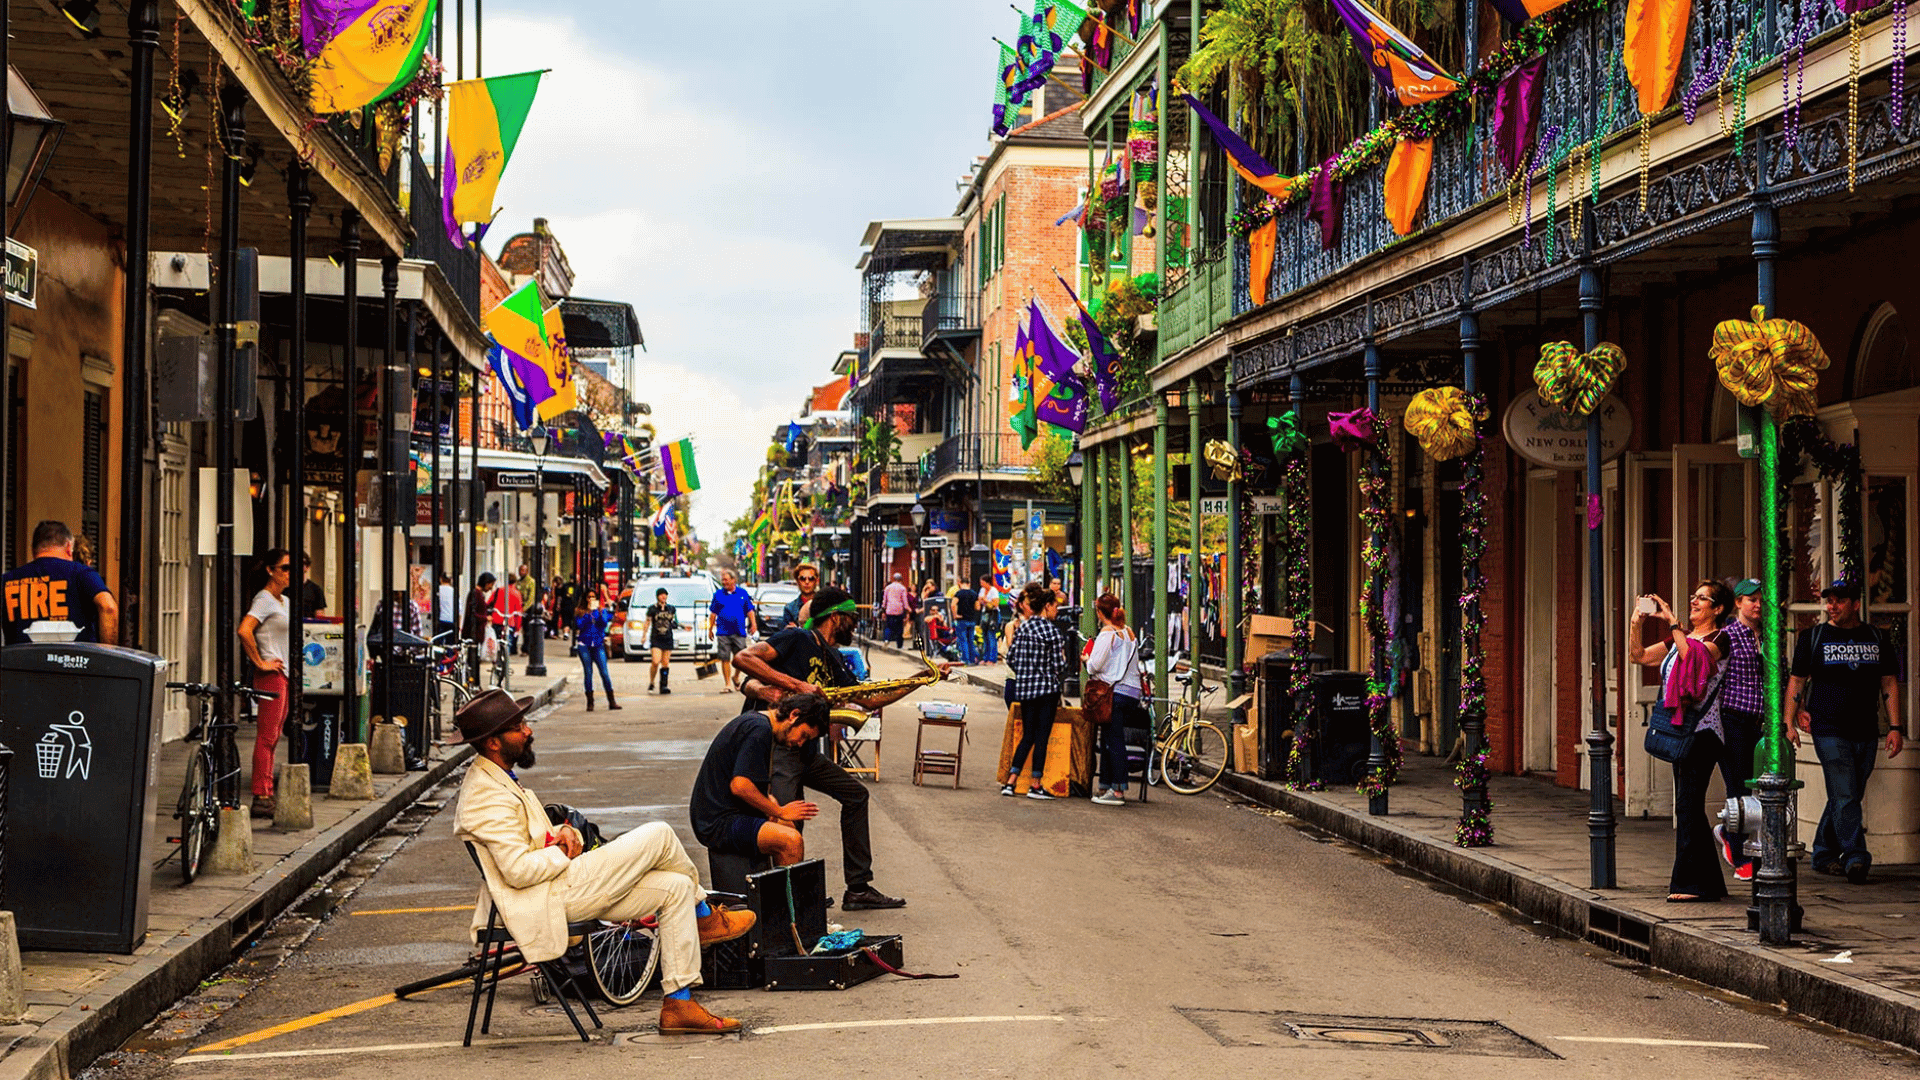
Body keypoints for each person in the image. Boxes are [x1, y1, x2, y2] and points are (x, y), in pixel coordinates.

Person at [452, 690, 753, 1035]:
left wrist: (561, 832)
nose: (528, 731)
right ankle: (705, 917)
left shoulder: (498, 777)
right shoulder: (484, 796)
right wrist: (563, 851)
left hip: (557, 885)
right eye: (519, 726)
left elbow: (526, 840)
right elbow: (518, 871)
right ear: (493, 742)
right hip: (547, 897)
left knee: (677, 887)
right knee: (660, 834)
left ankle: (679, 1004)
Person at [731, 585, 923, 910]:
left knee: (855, 794)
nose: (854, 624)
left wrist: (919, 679)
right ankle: (792, 904)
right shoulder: (797, 639)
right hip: (778, 747)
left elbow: (869, 697)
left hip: (805, 749)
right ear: (835, 617)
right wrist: (794, 685)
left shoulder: (832, 656)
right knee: (790, 820)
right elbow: (743, 658)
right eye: (851, 618)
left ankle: (859, 888)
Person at [1787, 578, 1903, 884]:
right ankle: (1856, 856)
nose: (1831, 607)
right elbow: (1797, 681)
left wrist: (1895, 727)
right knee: (1845, 792)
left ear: (1855, 603)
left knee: (1847, 793)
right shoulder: (1813, 637)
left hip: (1866, 728)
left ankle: (1824, 852)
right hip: (1828, 728)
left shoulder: (1876, 637)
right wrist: (1790, 718)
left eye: (1838, 601)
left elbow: (1889, 682)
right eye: (1828, 601)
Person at [1629, 580, 1733, 903]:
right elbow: (1639, 656)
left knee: (1688, 806)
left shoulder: (1720, 639)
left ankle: (1689, 884)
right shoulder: (1679, 639)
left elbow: (1693, 661)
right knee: (1689, 806)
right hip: (1682, 730)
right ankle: (1710, 885)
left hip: (1704, 732)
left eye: (1703, 598)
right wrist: (1636, 623)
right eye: (1694, 596)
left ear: (1717, 609)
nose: (1696, 601)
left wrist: (1673, 621)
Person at [690, 693, 830, 867]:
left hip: (728, 813)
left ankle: (779, 888)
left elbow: (752, 782)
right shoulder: (759, 730)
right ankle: (787, 894)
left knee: (788, 826)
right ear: (794, 715)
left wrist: (771, 806)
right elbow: (740, 786)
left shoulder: (757, 722)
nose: (800, 743)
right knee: (790, 841)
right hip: (717, 822)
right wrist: (779, 811)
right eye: (803, 735)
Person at [1709, 578, 1766, 880]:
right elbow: (1705, 666)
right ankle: (1738, 851)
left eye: (1760, 599)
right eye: (1751, 599)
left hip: (1763, 722)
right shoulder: (1728, 635)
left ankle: (1739, 838)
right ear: (1738, 604)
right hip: (1734, 719)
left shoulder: (1770, 636)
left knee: (1764, 790)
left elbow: (1780, 677)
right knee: (1739, 788)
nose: (1757, 604)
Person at [238, 549, 292, 820]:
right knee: (267, 736)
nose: (289, 573)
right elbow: (244, 629)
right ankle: (261, 793)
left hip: (283, 675)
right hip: (271, 674)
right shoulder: (264, 599)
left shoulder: (284, 602)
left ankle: (267, 790)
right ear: (270, 570)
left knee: (274, 737)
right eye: (284, 568)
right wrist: (260, 662)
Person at [1, 520, 118, 644]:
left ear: (33, 549)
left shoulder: (7, 581)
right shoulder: (80, 573)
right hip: (75, 660)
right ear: (69, 547)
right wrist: (108, 654)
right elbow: (108, 607)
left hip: (21, 661)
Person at [1003, 583, 1067, 800]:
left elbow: (1011, 658)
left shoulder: (1022, 629)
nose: (1056, 611)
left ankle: (1010, 781)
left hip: (1025, 689)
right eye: (1055, 606)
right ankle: (1036, 784)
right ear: (1046, 606)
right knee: (1042, 737)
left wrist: (1026, 673)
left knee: (1027, 735)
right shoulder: (1052, 631)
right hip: (1047, 690)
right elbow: (1059, 665)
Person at [1085, 594, 1144, 807]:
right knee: (1111, 738)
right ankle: (1106, 784)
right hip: (1131, 693)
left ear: (1101, 613)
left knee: (1114, 740)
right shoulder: (1129, 633)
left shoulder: (1107, 633)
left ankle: (1117, 790)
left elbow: (1095, 665)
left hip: (1114, 693)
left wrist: (1086, 660)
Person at [709, 570, 758, 691]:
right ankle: (727, 685)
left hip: (739, 630)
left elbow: (750, 610)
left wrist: (754, 624)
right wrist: (710, 629)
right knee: (725, 658)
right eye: (723, 580)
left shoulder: (742, 593)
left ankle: (735, 677)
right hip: (723, 631)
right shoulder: (718, 595)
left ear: (733, 580)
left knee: (741, 658)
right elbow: (713, 613)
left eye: (726, 579)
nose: (724, 582)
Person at [575, 594, 620, 712]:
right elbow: (579, 625)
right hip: (584, 645)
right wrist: (588, 614)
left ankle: (612, 701)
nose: (591, 599)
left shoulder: (601, 610)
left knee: (604, 673)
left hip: (598, 645)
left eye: (593, 597)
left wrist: (598, 613)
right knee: (588, 673)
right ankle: (590, 702)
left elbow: (604, 624)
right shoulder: (580, 611)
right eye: (589, 597)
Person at [644, 587, 677, 694]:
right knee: (655, 661)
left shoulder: (671, 608)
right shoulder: (652, 609)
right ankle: (652, 682)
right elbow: (647, 622)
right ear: (657, 596)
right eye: (661, 595)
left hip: (667, 638)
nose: (663, 597)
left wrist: (681, 625)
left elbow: (674, 621)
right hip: (656, 638)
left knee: (665, 663)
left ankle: (664, 685)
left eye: (665, 594)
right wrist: (644, 635)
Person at [463, 572, 496, 667]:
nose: (491, 588)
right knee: (472, 659)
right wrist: (485, 617)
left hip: (477, 633)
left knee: (475, 659)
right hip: (473, 632)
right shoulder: (475, 594)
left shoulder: (478, 594)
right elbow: (472, 614)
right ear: (486, 583)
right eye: (491, 585)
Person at [490, 574, 524, 654]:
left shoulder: (498, 590)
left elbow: (489, 602)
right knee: (507, 644)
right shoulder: (517, 593)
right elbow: (518, 612)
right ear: (515, 582)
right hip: (510, 622)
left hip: (496, 620)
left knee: (496, 641)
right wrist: (518, 627)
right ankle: (506, 659)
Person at [953, 578, 981, 666]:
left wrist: (955, 615)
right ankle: (972, 659)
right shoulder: (974, 593)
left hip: (962, 619)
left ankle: (965, 660)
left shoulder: (959, 593)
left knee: (963, 640)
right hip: (972, 620)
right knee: (971, 640)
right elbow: (978, 607)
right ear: (969, 584)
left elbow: (953, 604)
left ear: (960, 583)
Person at [782, 563, 820, 628]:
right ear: (797, 581)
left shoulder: (824, 604)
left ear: (816, 581)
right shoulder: (790, 608)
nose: (807, 582)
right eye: (802, 578)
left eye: (811, 578)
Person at [978, 574, 1003, 664]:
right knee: (984, 635)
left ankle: (992, 659)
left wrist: (986, 600)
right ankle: (985, 657)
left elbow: (996, 604)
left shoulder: (993, 591)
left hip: (993, 615)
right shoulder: (982, 590)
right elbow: (980, 600)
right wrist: (982, 600)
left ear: (987, 582)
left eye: (982, 582)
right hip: (985, 614)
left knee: (991, 635)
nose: (981, 584)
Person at [881, 573, 911, 644]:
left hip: (889, 610)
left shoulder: (887, 588)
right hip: (899, 610)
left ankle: (886, 639)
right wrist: (907, 609)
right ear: (901, 579)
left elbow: (884, 600)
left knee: (888, 626)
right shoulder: (902, 588)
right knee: (899, 627)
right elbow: (904, 600)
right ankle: (899, 644)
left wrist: (883, 610)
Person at [436, 572, 457, 638]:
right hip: (451, 620)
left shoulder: (438, 590)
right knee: (450, 644)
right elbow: (460, 610)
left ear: (440, 579)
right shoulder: (454, 591)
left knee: (439, 643)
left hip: (441, 619)